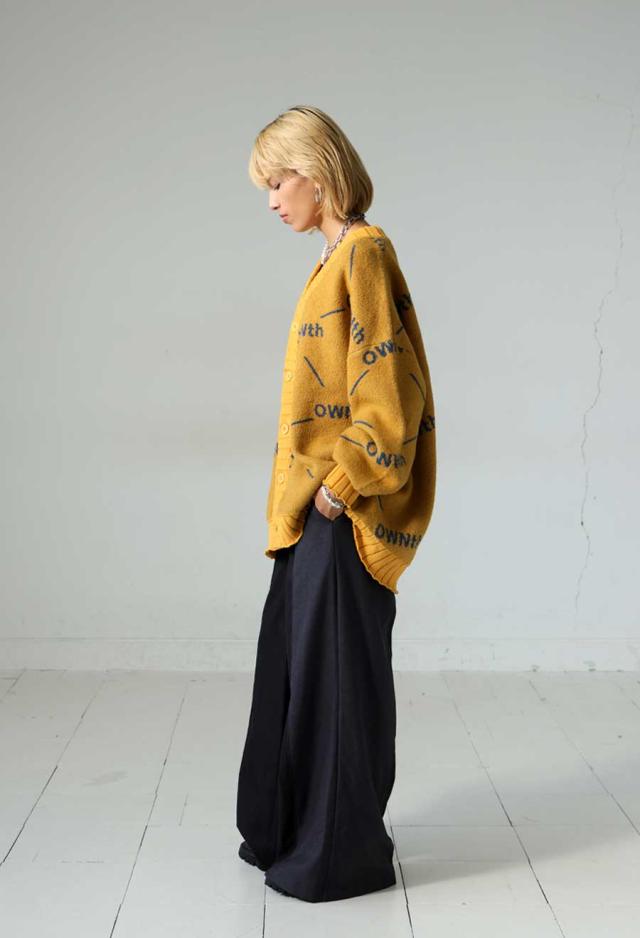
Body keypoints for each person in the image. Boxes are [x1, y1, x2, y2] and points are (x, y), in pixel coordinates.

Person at [235, 105, 437, 902]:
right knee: (297, 674)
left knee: (339, 685)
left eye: (278, 180)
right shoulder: (332, 260)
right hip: (306, 511)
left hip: (341, 513)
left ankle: (337, 857)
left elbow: (391, 392)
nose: (271, 199)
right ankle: (289, 832)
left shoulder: (365, 253)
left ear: (317, 175)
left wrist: (340, 486)